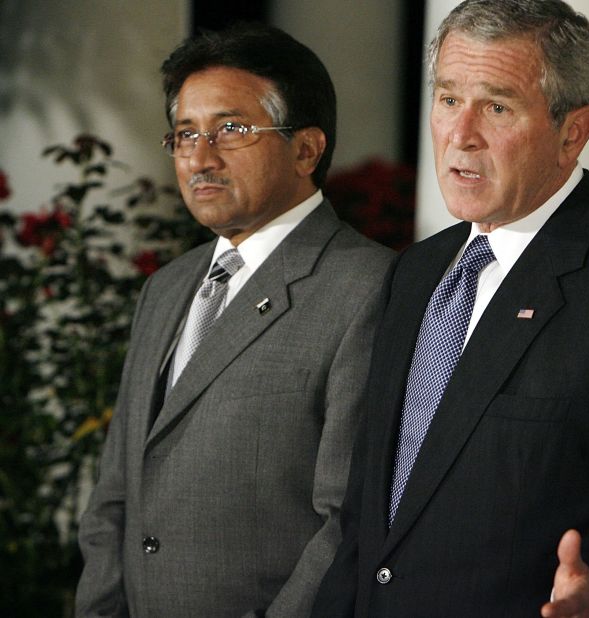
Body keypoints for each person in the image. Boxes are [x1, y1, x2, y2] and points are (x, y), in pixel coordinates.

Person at [312, 1, 589, 616]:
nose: (461, 134)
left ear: (573, 132)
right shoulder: (416, 271)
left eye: (497, 106)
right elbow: (370, 513)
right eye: (448, 98)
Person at [75, 24, 394, 617]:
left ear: (306, 149)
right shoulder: (166, 288)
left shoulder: (368, 287)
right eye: (185, 134)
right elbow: (114, 492)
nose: (200, 156)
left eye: (232, 130)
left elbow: (346, 521)